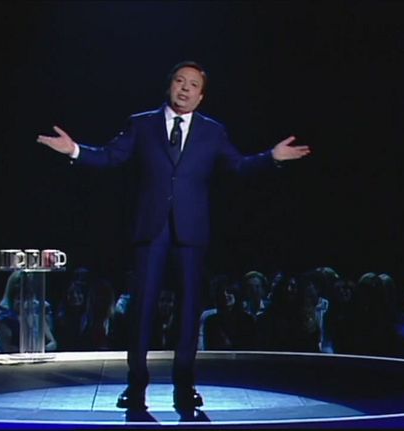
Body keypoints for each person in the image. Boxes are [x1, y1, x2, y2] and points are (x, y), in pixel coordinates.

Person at [37, 61, 310, 410]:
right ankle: (136, 385)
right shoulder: (142, 124)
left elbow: (238, 165)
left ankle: (185, 386)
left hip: (191, 231)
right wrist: (75, 150)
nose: (185, 89)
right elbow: (110, 157)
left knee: (188, 310)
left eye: (193, 85)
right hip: (151, 228)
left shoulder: (213, 131)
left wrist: (271, 157)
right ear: (169, 85)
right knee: (142, 309)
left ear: (201, 96)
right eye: (180, 81)